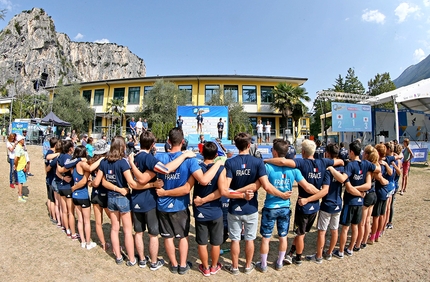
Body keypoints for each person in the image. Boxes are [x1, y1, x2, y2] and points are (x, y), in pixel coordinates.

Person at [154, 128, 224, 275]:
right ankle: (182, 264)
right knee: (182, 237)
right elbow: (198, 183)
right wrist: (219, 163)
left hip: (163, 204)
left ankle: (173, 265)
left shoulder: (160, 157)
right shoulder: (190, 160)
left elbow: (156, 176)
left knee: (168, 237)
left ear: (168, 142)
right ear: (183, 142)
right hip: (180, 204)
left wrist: (159, 187)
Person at [126, 130, 196, 270]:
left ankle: (152, 261)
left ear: (168, 142)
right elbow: (164, 170)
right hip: (167, 202)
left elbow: (137, 180)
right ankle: (176, 265)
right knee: (177, 236)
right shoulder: (154, 159)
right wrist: (184, 155)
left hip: (149, 202)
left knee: (159, 235)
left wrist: (132, 165)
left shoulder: (154, 156)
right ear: (153, 144)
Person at [265, 139, 342, 265]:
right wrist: (333, 165)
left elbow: (283, 161)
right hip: (315, 205)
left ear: (304, 152)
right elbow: (340, 161)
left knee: (300, 233)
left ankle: (298, 258)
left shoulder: (301, 162)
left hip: (304, 204)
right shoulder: (323, 162)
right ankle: (291, 252)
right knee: (303, 231)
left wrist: (266, 160)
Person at [220, 132, 283, 275]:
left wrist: (239, 193)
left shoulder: (230, 162)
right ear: (249, 145)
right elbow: (266, 186)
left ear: (236, 146)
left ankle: (235, 267)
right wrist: (281, 194)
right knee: (249, 239)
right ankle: (248, 266)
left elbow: (226, 189)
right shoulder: (258, 162)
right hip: (251, 208)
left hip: (234, 207)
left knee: (235, 240)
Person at [257, 140, 317, 271]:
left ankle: (263, 265)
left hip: (271, 206)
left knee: (266, 238)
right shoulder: (294, 170)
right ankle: (279, 263)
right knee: (283, 237)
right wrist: (321, 193)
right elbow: (307, 186)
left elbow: (265, 187)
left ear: (274, 152)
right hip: (285, 207)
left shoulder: (267, 167)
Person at [92, 136, 140, 266]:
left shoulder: (104, 162)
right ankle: (131, 259)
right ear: (122, 147)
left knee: (114, 228)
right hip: (123, 199)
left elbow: (100, 182)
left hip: (111, 198)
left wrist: (115, 188)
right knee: (127, 230)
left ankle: (118, 257)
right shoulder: (123, 162)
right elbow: (131, 182)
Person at [333, 141, 375, 259]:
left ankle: (341, 251)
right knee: (355, 226)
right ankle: (350, 249)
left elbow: (342, 178)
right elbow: (377, 167)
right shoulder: (366, 164)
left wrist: (332, 170)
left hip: (350, 201)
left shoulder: (350, 165)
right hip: (360, 202)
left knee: (345, 228)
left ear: (351, 152)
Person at [305, 143, 346, 263]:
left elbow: (325, 189)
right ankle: (329, 253)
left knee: (322, 232)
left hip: (327, 204)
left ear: (327, 153)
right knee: (334, 230)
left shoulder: (327, 170)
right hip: (338, 203)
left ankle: (318, 256)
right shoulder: (342, 168)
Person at [191, 142, 225, 276]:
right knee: (215, 242)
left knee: (202, 241)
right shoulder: (221, 169)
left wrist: (202, 200)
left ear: (201, 153)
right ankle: (214, 266)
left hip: (200, 209)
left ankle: (205, 268)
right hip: (215, 209)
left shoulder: (196, 168)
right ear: (216, 155)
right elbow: (221, 191)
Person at [70, 146, 97, 250]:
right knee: (86, 221)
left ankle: (82, 241)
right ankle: (88, 242)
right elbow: (85, 178)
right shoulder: (82, 164)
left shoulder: (73, 164)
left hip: (75, 196)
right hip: (83, 195)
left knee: (80, 219)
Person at [368, 144, 392, 245]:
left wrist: (384, 181)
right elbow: (390, 173)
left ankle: (372, 237)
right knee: (382, 214)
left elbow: (380, 179)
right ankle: (378, 234)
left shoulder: (378, 164)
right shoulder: (386, 162)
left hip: (378, 191)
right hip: (385, 191)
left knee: (376, 216)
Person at [14, 135, 28, 203]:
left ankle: (21, 194)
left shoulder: (20, 147)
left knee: (22, 181)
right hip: (20, 168)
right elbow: (16, 158)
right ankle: (19, 196)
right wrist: (16, 166)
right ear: (20, 140)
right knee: (20, 182)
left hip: (22, 167)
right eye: (23, 139)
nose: (24, 140)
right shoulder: (18, 148)